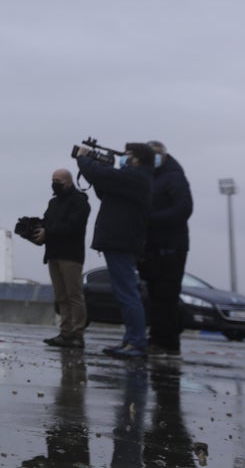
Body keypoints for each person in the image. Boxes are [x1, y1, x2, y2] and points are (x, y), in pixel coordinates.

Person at [76, 141, 154, 358]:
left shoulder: (137, 177)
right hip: (120, 240)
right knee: (124, 294)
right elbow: (105, 189)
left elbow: (103, 176)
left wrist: (83, 158)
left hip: (122, 240)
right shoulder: (133, 178)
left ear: (137, 158)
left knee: (128, 294)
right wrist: (101, 167)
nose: (125, 157)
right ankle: (130, 341)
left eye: (128, 154)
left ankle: (137, 342)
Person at [142, 140, 193, 357]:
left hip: (171, 247)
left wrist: (149, 219)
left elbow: (183, 209)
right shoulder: (150, 177)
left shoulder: (174, 177)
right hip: (152, 246)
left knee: (166, 296)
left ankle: (168, 343)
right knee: (155, 296)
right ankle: (158, 339)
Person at [33, 168, 91, 348]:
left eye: (58, 180)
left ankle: (77, 333)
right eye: (53, 179)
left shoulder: (80, 201)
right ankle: (65, 332)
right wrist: (34, 227)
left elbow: (73, 226)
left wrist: (48, 231)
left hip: (71, 255)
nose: (55, 183)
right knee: (61, 296)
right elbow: (46, 222)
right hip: (54, 254)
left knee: (74, 295)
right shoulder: (54, 203)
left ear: (68, 181)